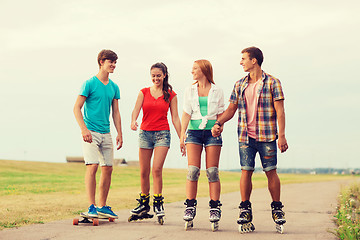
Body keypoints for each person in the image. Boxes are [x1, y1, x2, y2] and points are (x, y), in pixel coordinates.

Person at [212, 47, 288, 232]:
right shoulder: (239, 84)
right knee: (246, 171)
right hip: (246, 136)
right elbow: (231, 109)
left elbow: (280, 111)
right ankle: (245, 208)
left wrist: (282, 135)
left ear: (254, 60)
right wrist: (218, 122)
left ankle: (277, 208)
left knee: (271, 171)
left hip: (267, 135)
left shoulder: (273, 83)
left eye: (243, 58)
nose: (241, 62)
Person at [73, 49, 122, 219]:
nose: (114, 65)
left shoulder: (114, 87)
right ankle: (91, 206)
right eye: (111, 62)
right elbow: (76, 108)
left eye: (115, 62)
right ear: (102, 62)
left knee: (108, 168)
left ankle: (102, 206)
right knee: (92, 166)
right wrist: (84, 129)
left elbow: (116, 112)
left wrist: (119, 133)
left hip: (106, 133)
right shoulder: (89, 84)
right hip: (90, 132)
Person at [130, 62, 181, 222]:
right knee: (143, 171)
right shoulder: (143, 92)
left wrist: (182, 138)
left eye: (158, 75)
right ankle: (144, 203)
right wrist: (133, 121)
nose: (155, 78)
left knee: (156, 169)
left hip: (162, 134)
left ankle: (158, 203)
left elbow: (175, 117)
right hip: (145, 134)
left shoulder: (171, 95)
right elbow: (136, 110)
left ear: (164, 75)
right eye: (153, 75)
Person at [180, 60, 225, 230]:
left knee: (212, 172)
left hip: (212, 133)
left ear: (204, 70)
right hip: (194, 133)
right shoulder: (189, 90)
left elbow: (221, 113)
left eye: (195, 68)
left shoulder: (217, 90)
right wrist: (182, 133)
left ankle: (214, 207)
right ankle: (190, 206)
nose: (192, 71)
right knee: (193, 170)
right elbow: (186, 112)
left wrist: (218, 127)